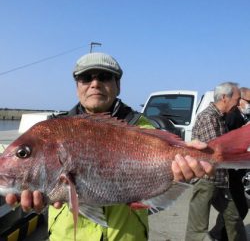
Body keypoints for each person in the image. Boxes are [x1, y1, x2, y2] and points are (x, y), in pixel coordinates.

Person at [5, 52, 214, 241]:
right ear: (77, 86)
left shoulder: (141, 127)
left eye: (104, 77)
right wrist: (37, 203)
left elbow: (155, 203)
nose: (95, 84)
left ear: (118, 85)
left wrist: (188, 168)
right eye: (86, 78)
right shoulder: (52, 129)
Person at [185, 82, 246, 241]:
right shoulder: (208, 117)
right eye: (237, 99)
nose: (238, 104)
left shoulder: (220, 117)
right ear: (225, 98)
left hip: (220, 179)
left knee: (234, 219)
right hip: (206, 180)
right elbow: (215, 151)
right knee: (197, 229)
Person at [209, 87, 250, 241]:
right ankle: (218, 234)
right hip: (229, 170)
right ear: (240, 101)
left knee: (237, 208)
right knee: (238, 207)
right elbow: (224, 142)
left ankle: (219, 234)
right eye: (249, 101)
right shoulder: (233, 117)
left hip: (236, 169)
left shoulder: (241, 116)